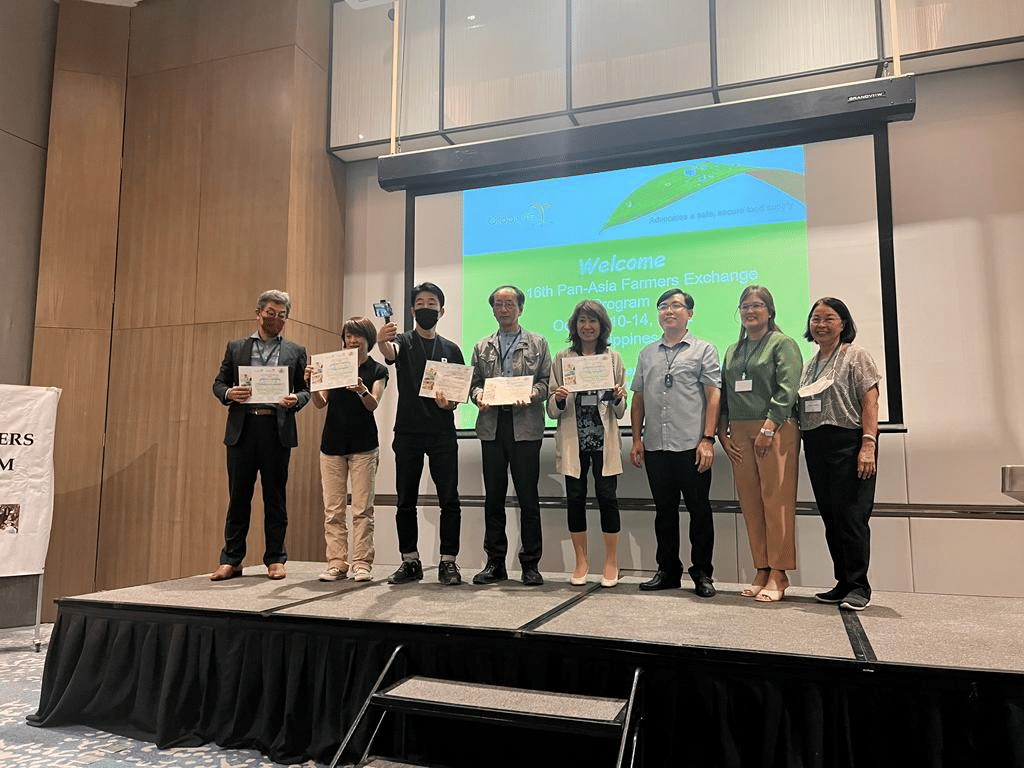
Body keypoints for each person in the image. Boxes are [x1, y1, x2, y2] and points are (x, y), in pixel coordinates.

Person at [210, 290, 310, 581]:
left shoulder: (296, 351)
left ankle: (276, 559)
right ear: (258, 313)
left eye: (282, 315)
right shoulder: (237, 347)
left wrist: (297, 400)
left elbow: (307, 390)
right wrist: (230, 393)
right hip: (243, 429)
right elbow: (219, 383)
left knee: (275, 497)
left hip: (276, 430)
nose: (276, 318)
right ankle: (231, 559)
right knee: (238, 497)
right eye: (270, 313)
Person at [630, 289, 721, 597]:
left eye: (676, 306)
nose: (669, 311)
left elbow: (713, 395)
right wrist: (637, 440)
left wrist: (708, 439)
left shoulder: (704, 349)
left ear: (689, 313)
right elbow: (638, 398)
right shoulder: (646, 353)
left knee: (700, 512)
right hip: (656, 446)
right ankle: (668, 571)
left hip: (692, 446)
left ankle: (702, 573)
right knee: (664, 512)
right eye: (663, 306)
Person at [377, 282, 465, 585]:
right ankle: (410, 561)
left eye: (432, 303)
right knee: (405, 501)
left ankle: (448, 562)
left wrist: (448, 402)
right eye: (421, 303)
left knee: (449, 499)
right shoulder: (404, 341)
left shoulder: (451, 349)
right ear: (413, 309)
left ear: (442, 310)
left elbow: (458, 395)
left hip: (442, 433)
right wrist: (380, 340)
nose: (426, 308)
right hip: (408, 432)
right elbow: (390, 352)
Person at [719, 285, 802, 603]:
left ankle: (780, 573)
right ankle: (762, 568)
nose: (750, 310)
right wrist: (722, 432)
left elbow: (788, 387)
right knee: (751, 504)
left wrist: (769, 426)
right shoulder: (732, 350)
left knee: (775, 500)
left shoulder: (782, 344)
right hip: (739, 432)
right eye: (744, 306)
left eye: (756, 305)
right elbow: (726, 393)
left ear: (770, 310)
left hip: (775, 428)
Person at [799, 297, 881, 611]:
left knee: (852, 517)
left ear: (843, 323)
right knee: (832, 518)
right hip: (817, 444)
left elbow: (870, 401)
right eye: (815, 319)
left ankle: (859, 586)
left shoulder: (856, 356)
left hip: (849, 442)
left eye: (829, 318)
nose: (821, 325)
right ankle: (843, 583)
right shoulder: (811, 363)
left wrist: (868, 444)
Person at [470, 286, 552, 586]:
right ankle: (495, 563)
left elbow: (547, 382)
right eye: (499, 304)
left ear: (521, 308)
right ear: (492, 309)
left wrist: (533, 394)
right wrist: (478, 396)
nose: (504, 309)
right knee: (493, 498)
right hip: (492, 426)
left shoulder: (538, 343)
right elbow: (473, 383)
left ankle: (531, 564)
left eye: (510, 304)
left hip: (526, 426)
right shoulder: (482, 346)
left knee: (528, 498)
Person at [548, 300, 627, 587]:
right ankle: (581, 561)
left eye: (593, 321)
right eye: (582, 320)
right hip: (574, 440)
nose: (587, 326)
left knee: (608, 499)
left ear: (602, 326)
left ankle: (611, 561)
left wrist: (619, 396)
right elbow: (552, 409)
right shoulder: (563, 358)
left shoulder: (613, 358)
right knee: (575, 500)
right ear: (575, 325)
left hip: (603, 441)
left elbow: (619, 411)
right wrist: (557, 397)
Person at [305, 316, 388, 582]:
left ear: (369, 340)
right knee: (333, 509)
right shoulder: (334, 364)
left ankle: (362, 562)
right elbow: (320, 403)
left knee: (362, 509)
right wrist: (313, 384)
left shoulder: (378, 370)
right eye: (348, 336)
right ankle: (337, 562)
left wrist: (362, 391)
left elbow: (373, 404)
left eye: (358, 336)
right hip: (332, 445)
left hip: (364, 446)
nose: (352, 341)